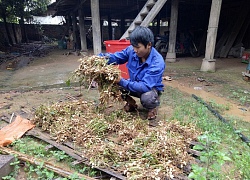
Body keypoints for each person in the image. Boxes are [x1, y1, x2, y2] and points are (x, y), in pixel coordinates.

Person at [99, 26, 165, 120]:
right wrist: (100, 59)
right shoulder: (132, 50)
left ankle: (152, 107)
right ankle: (131, 103)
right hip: (134, 84)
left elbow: (145, 86)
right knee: (112, 82)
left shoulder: (157, 62)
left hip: (149, 89)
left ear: (149, 45)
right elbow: (117, 57)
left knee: (147, 98)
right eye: (133, 46)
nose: (135, 50)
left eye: (138, 47)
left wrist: (121, 81)